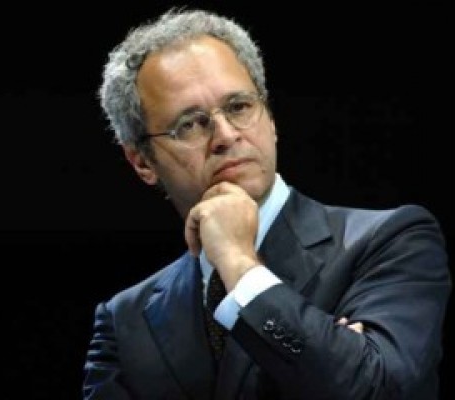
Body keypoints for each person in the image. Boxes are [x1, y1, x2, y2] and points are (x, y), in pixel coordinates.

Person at [82, 7, 451, 400]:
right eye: (189, 124)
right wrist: (331, 352)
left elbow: (374, 389)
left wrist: (240, 264)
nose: (226, 136)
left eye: (239, 107)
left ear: (270, 118)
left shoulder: (390, 241)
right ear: (142, 161)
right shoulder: (124, 322)